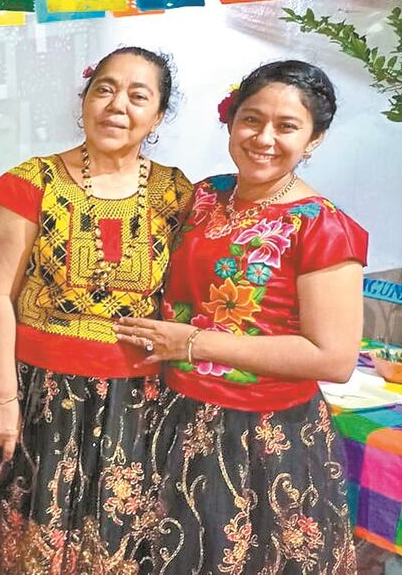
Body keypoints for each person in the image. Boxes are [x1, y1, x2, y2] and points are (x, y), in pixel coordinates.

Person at [0, 47, 194, 573]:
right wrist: (2, 396)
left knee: (112, 544)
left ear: (158, 116)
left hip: (132, 403)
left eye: (138, 96)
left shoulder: (176, 192)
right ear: (84, 100)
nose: (117, 105)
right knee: (22, 541)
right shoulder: (35, 181)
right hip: (36, 392)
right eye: (104, 89)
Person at [114, 60, 367, 573]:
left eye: (287, 126)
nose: (264, 138)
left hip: (266, 437)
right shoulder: (205, 195)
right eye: (252, 119)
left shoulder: (322, 227)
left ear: (314, 139)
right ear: (231, 121)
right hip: (175, 418)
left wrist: (192, 344)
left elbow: (334, 358)